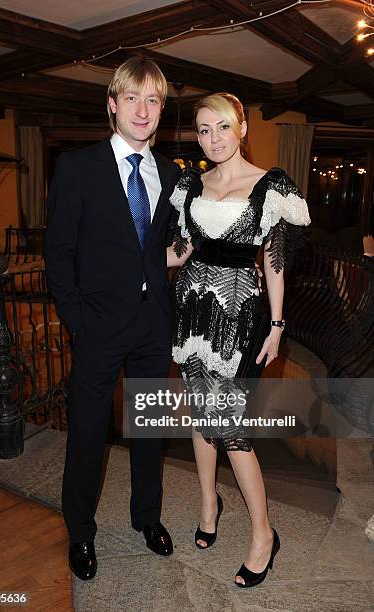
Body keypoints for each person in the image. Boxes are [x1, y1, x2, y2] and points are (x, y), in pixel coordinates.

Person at [45, 57, 181, 581]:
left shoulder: (169, 174)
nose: (143, 110)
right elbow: (58, 254)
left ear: (161, 109)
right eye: (133, 98)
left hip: (153, 325)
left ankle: (147, 518)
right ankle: (80, 532)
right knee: (87, 433)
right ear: (112, 104)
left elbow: (157, 249)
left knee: (149, 431)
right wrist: (79, 321)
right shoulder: (78, 168)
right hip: (98, 327)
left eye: (153, 101)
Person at [167, 92, 311, 588]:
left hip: (240, 313)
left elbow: (274, 260)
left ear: (242, 127)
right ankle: (209, 506)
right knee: (197, 410)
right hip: (192, 309)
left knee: (229, 426)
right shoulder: (191, 183)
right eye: (203, 130)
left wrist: (276, 325)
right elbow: (182, 251)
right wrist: (123, 260)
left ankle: (264, 535)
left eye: (221, 127)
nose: (212, 139)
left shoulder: (269, 186)